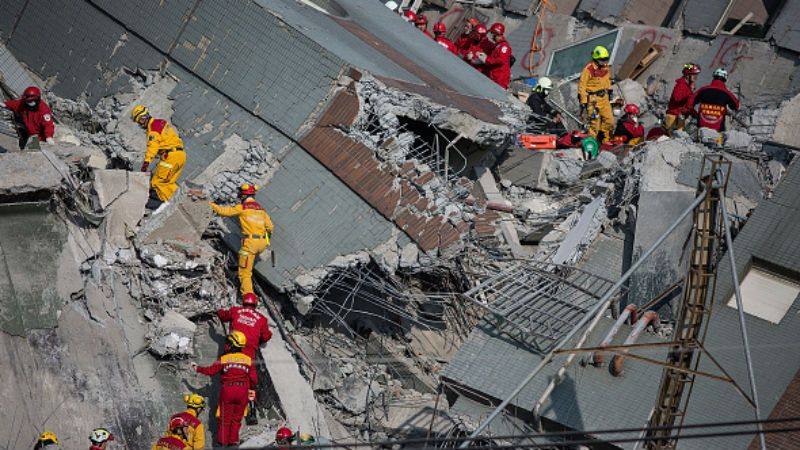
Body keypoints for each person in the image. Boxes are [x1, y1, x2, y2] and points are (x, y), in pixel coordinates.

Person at [192, 331, 257, 447]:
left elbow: (211, 371)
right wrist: (251, 391)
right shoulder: (248, 359)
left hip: (228, 390)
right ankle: (233, 445)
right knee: (236, 420)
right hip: (243, 390)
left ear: (232, 344)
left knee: (224, 420)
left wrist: (197, 368)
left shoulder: (224, 358)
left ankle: (222, 445)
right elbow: (254, 380)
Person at [209, 183, 273, 296]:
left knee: (245, 273)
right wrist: (265, 240)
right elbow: (270, 227)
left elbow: (224, 212)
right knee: (244, 259)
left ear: (243, 195)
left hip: (250, 243)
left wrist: (209, 204)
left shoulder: (243, 207)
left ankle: (248, 297)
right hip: (261, 243)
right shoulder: (261, 210)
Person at [130, 105, 186, 210]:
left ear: (143, 118)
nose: (140, 125)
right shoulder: (160, 122)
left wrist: (145, 164)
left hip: (170, 157)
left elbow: (153, 147)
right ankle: (184, 197)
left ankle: (167, 206)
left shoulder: (153, 129)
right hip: (180, 155)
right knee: (168, 183)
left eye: (139, 122)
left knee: (157, 183)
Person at [218, 292, 272, 358]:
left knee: (225, 366)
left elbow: (223, 316)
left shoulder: (235, 310)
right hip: (248, 353)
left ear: (243, 301)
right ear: (255, 304)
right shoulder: (262, 319)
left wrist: (219, 311)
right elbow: (265, 337)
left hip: (231, 349)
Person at [578, 46, 615, 141]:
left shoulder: (606, 67)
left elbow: (607, 80)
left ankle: (605, 139)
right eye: (602, 60)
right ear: (596, 58)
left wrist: (610, 91)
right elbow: (582, 86)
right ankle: (591, 143)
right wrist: (584, 101)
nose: (604, 62)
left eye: (605, 59)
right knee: (595, 124)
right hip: (594, 100)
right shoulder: (589, 69)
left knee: (610, 121)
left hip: (605, 98)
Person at [690, 67, 740, 132]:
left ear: (714, 77)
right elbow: (736, 106)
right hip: (718, 130)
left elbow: (690, 103)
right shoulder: (727, 93)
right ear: (725, 79)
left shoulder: (703, 90)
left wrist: (695, 114)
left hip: (701, 129)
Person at [474, 23, 512, 89]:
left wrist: (486, 59)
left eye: (492, 33)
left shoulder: (504, 46)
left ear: (496, 33)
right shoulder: (497, 46)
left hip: (499, 79)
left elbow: (501, 60)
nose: (492, 36)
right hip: (493, 76)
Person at [665, 63, 700, 135]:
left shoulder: (686, 86)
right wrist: (690, 90)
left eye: (696, 75)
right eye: (694, 75)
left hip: (679, 117)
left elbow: (687, 104)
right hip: (673, 117)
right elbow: (677, 97)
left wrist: (696, 115)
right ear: (688, 75)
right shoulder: (681, 84)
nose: (696, 77)